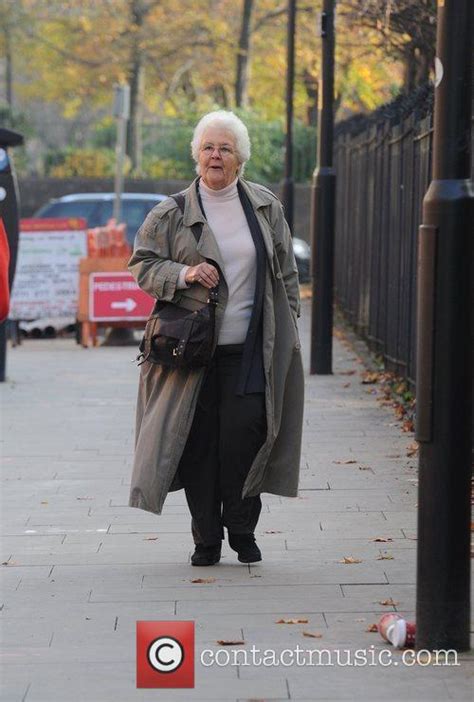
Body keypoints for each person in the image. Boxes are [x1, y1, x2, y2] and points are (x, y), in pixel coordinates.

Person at [128, 110, 304, 566]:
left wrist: (290, 323)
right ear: (197, 155)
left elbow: (285, 272)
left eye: (225, 148)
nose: (215, 155)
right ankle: (206, 538)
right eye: (208, 147)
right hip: (190, 352)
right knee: (197, 444)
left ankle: (241, 528)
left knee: (246, 438)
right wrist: (184, 273)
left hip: (250, 351)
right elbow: (142, 265)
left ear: (240, 158)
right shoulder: (170, 213)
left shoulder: (265, 207)